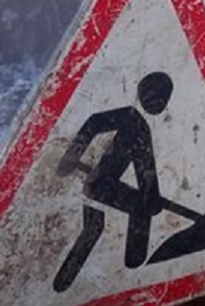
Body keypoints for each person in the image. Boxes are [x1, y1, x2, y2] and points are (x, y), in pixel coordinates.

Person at [52, 72, 174, 293]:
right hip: (97, 182)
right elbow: (93, 123)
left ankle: (133, 269)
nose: (158, 103)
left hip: (105, 184)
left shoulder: (141, 128)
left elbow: (145, 168)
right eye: (155, 96)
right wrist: (71, 156)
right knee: (96, 226)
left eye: (162, 98)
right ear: (142, 92)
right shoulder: (130, 118)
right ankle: (62, 285)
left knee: (114, 219)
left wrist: (151, 197)